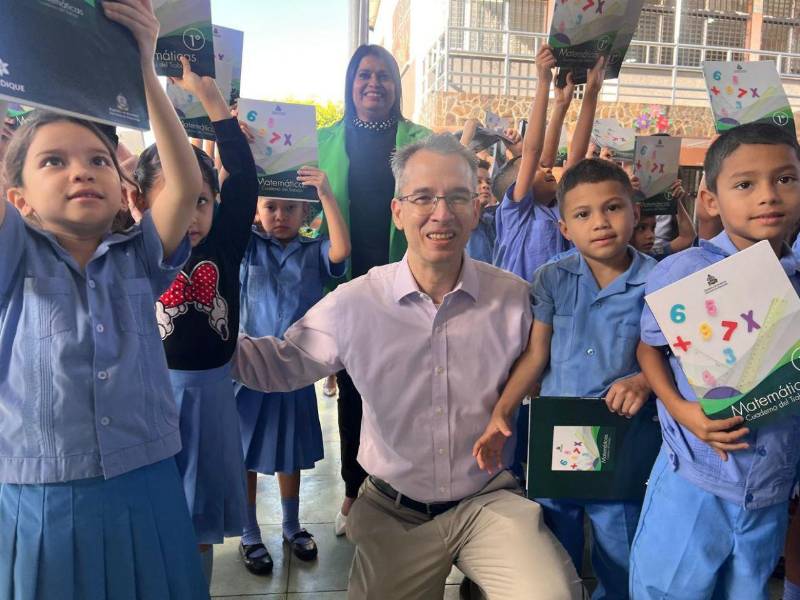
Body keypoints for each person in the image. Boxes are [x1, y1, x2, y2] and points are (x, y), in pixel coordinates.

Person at [231, 134, 582, 599]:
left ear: (477, 211)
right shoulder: (357, 303)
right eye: (423, 198)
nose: (441, 213)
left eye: (457, 197)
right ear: (398, 211)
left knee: (552, 594)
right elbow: (279, 366)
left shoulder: (513, 299)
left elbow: (562, 364)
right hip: (395, 510)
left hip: (488, 499)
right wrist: (202, 337)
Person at [0, 1, 208, 597]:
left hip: (145, 486)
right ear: (19, 199)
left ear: (123, 190)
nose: (80, 172)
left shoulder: (141, 258)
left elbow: (186, 181)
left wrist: (143, 66)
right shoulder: (15, 255)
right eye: (53, 162)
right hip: (41, 498)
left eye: (97, 160)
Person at [474, 159, 656, 598]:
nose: (600, 222)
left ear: (635, 211)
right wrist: (502, 411)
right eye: (583, 214)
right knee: (556, 542)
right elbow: (537, 355)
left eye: (613, 208)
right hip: (559, 434)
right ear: (564, 227)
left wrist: (643, 382)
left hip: (623, 436)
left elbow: (674, 357)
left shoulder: (658, 280)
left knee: (620, 542)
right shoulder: (551, 278)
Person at [633, 122, 800, 599]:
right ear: (711, 199)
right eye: (745, 184)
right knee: (668, 589)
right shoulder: (684, 273)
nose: (768, 195)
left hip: (770, 488)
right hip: (697, 479)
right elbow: (649, 347)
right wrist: (681, 409)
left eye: (785, 179)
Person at [129, 57, 258, 585]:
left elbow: (245, 177)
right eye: (177, 202)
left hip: (210, 401)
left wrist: (209, 100)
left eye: (201, 202)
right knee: (156, 511)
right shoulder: (132, 254)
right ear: (140, 205)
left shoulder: (224, 244)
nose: (192, 215)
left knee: (200, 514)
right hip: (148, 401)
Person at [317, 44, 431, 534]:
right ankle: (351, 491)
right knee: (354, 391)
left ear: (395, 85)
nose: (373, 84)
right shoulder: (321, 141)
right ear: (350, 83)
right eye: (364, 75)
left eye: (383, 76)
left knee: (404, 388)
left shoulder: (420, 141)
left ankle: (405, 490)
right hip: (348, 282)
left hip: (406, 279)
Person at [236, 174, 350, 574]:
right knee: (244, 452)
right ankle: (249, 531)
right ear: (255, 209)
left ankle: (290, 524)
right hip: (247, 367)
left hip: (293, 369)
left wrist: (327, 193)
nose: (279, 215)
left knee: (289, 452)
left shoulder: (312, 251)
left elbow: (341, 249)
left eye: (289, 208)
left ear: (306, 212)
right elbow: (218, 219)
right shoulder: (247, 247)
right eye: (270, 207)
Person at [631, 180, 695, 259]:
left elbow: (687, 237)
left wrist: (676, 201)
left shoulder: (654, 253)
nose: (651, 236)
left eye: (653, 228)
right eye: (642, 228)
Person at [465, 158, 498, 263]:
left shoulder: (492, 222)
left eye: (488, 182)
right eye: (478, 182)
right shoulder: (459, 224)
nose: (485, 186)